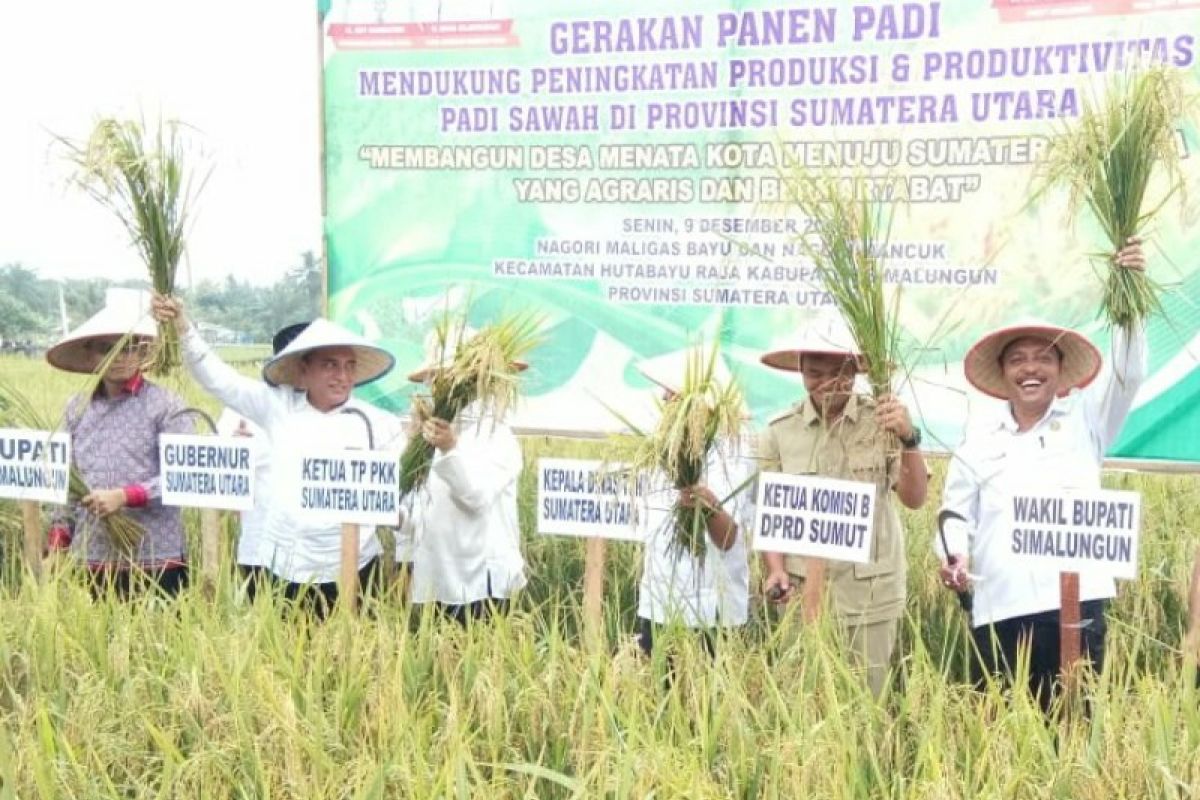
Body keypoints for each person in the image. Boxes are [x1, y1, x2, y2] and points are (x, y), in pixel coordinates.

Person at [938, 239, 1147, 711]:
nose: (1030, 368)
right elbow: (953, 509)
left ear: (1058, 370)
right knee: (1000, 738)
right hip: (1000, 608)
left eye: (1043, 358)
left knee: (1075, 729)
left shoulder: (1087, 420)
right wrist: (955, 557)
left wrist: (1131, 289)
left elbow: (1129, 373)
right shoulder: (979, 436)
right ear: (1003, 371)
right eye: (1017, 359)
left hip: (1077, 608)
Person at [153, 294, 403, 617]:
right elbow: (220, 380)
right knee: (288, 658)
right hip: (289, 566)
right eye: (330, 365)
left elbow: (401, 485)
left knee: (355, 659)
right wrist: (183, 327)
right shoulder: (278, 407)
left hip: (356, 563)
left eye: (349, 366)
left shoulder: (376, 423)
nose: (342, 376)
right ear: (304, 370)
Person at [758, 315, 929, 696]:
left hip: (870, 594)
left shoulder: (882, 421)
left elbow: (915, 499)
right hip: (804, 594)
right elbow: (770, 516)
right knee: (803, 704)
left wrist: (908, 437)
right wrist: (775, 571)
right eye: (815, 373)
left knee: (869, 705)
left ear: (854, 372)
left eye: (840, 373)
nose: (828, 384)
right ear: (801, 370)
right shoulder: (778, 432)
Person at [45, 288, 192, 598]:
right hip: (92, 553)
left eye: (129, 348)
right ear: (90, 354)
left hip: (155, 554)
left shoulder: (166, 405)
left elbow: (186, 475)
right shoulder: (77, 408)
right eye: (107, 349)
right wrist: (59, 538)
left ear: (142, 352)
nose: (121, 357)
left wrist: (126, 495)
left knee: (159, 642)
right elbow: (66, 480)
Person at [631, 350, 755, 659]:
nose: (663, 398)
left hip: (711, 612)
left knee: (709, 704)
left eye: (673, 394)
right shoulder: (662, 451)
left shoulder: (733, 452)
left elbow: (728, 539)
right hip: (659, 603)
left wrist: (706, 504)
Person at [404, 328, 525, 624]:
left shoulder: (497, 436)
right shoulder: (425, 438)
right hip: (435, 582)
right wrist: (391, 513)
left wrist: (449, 448)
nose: (445, 388)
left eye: (460, 380)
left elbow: (476, 498)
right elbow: (419, 516)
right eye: (439, 380)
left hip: (482, 587)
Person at [214, 322, 310, 599]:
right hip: (258, 544)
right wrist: (235, 451)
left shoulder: (338, 411)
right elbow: (218, 482)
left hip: (318, 555)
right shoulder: (247, 406)